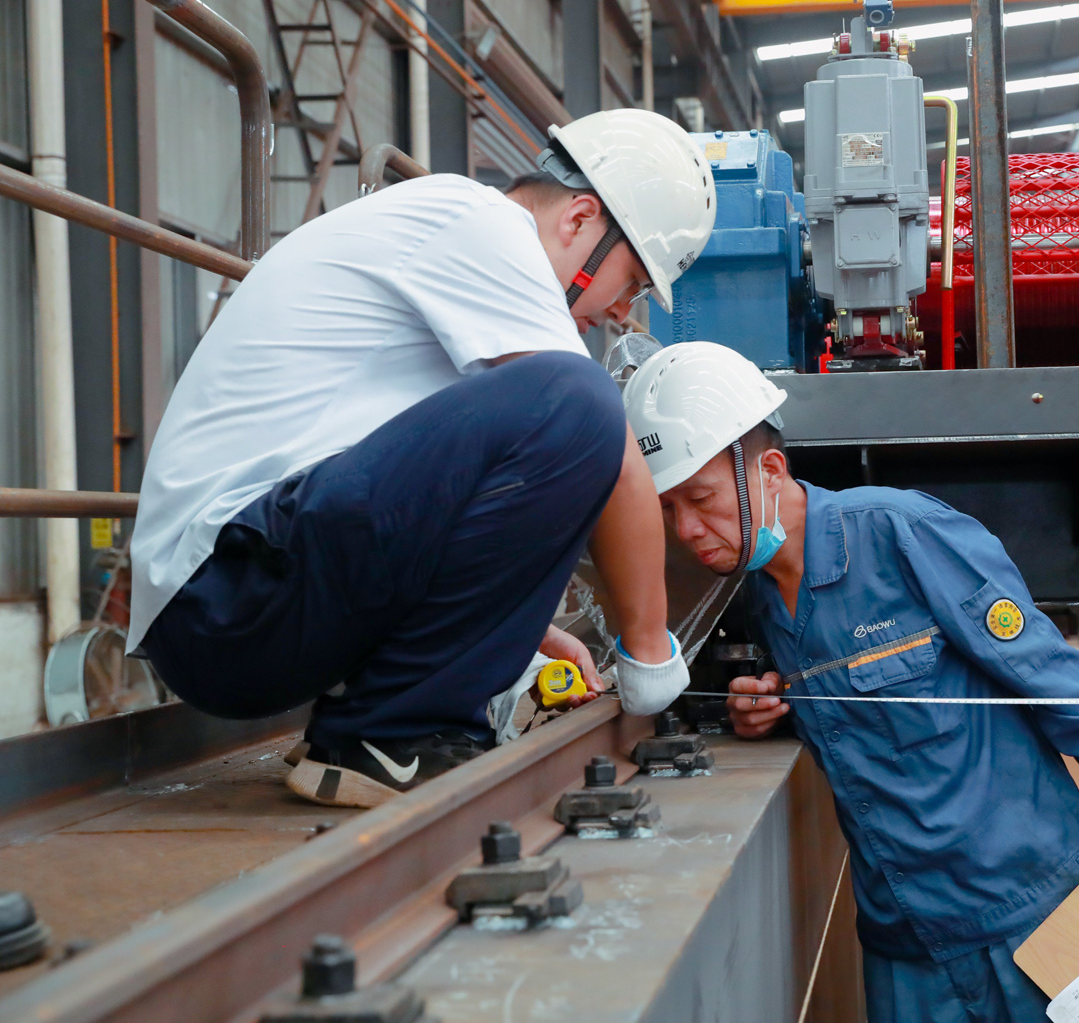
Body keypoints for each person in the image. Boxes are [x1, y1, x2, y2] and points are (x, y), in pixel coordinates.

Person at [126, 109, 714, 808]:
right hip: (226, 591)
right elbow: (612, 455)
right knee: (579, 399)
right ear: (580, 218)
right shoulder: (479, 223)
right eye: (634, 280)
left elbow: (434, 501)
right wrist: (651, 656)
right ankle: (390, 733)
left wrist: (511, 630)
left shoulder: (459, 257)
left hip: (237, 605)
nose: (623, 312)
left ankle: (378, 729)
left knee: (567, 400)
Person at [622, 342, 1079, 1023]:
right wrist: (770, 712)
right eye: (665, 510)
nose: (686, 530)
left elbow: (1053, 676)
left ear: (769, 470)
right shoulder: (764, 602)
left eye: (701, 499)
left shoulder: (902, 534)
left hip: (1034, 909)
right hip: (907, 947)